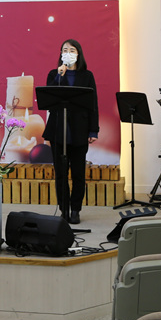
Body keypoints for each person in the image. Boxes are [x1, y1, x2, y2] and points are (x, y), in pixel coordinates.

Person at [43, 39, 99, 225]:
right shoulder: (54, 74)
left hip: (79, 130)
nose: (68, 53)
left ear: (78, 54)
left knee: (78, 174)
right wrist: (60, 75)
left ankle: (75, 209)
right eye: (64, 50)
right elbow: (49, 99)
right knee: (60, 174)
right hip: (58, 130)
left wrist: (93, 130)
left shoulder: (87, 76)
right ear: (60, 54)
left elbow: (93, 104)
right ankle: (64, 209)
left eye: (72, 50)